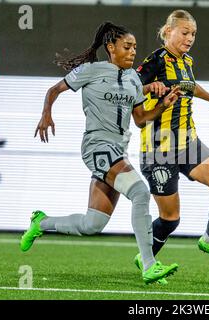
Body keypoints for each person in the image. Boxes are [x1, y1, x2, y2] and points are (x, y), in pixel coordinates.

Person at [19, 21, 182, 285]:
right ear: (111, 47)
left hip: (118, 151)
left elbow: (141, 119)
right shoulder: (90, 71)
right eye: (127, 47)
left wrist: (163, 105)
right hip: (97, 147)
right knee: (140, 192)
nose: (132, 52)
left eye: (135, 48)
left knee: (92, 224)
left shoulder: (132, 78)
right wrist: (46, 114)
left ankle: (42, 223)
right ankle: (149, 264)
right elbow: (54, 90)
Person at [134, 9, 209, 278]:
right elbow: (131, 86)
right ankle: (147, 261)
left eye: (193, 33)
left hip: (189, 143)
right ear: (168, 32)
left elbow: (191, 86)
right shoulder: (155, 61)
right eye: (185, 32)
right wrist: (149, 89)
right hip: (159, 149)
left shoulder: (186, 60)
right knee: (170, 219)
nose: (190, 38)